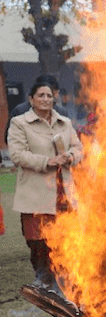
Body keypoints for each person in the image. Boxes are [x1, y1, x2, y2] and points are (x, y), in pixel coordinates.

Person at [8, 79, 83, 288]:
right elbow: (17, 154)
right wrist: (47, 162)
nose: (46, 99)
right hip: (36, 189)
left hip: (63, 188)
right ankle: (42, 275)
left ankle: (65, 274)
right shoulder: (20, 123)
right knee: (37, 237)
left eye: (49, 96)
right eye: (41, 95)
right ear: (31, 99)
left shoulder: (65, 122)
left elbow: (79, 148)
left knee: (65, 233)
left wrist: (70, 156)